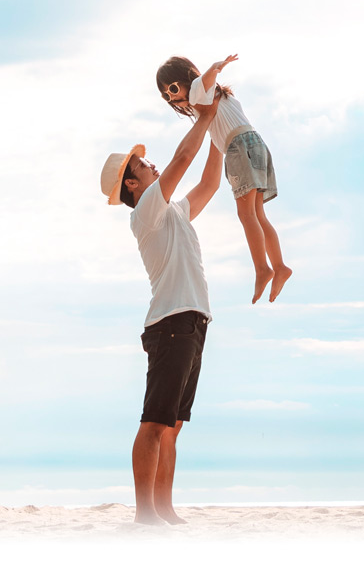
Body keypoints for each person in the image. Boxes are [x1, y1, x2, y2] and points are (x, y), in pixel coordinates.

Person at [100, 97, 222, 525]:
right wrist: (205, 117)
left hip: (191, 322)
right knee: (155, 423)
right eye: (142, 166)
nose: (150, 165)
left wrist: (219, 131)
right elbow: (183, 157)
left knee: (172, 427)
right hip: (170, 324)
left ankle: (164, 510)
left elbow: (208, 183)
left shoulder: (174, 212)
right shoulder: (148, 210)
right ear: (132, 186)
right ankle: (144, 514)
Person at [156, 54, 291, 304]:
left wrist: (214, 68)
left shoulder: (199, 92)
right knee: (258, 214)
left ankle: (263, 269)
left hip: (238, 148)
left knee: (246, 214)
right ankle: (279, 266)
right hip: (256, 144)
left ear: (186, 78)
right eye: (166, 95)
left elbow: (200, 83)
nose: (172, 96)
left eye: (173, 88)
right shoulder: (220, 97)